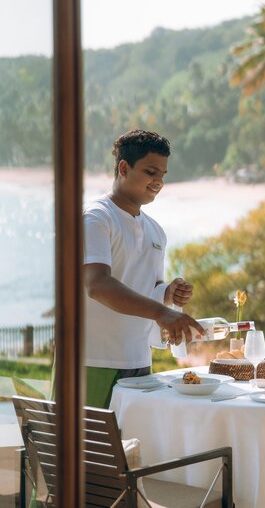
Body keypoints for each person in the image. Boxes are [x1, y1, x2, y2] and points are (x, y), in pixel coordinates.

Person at [83, 129, 204, 408]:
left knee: (132, 450)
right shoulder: (95, 218)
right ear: (124, 168)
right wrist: (163, 312)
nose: (159, 182)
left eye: (163, 174)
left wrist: (167, 293)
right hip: (92, 361)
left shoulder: (156, 231)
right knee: (85, 451)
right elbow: (97, 285)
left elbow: (144, 287)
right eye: (151, 172)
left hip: (139, 363)